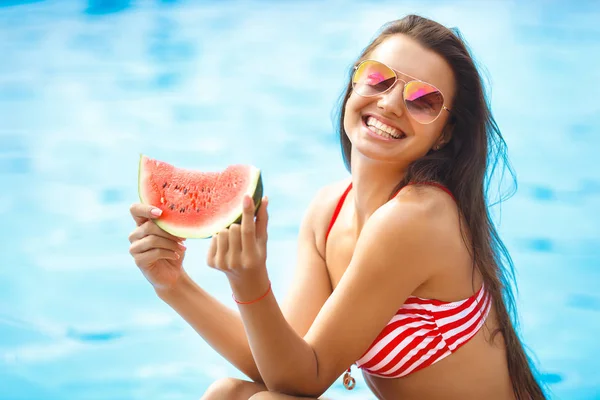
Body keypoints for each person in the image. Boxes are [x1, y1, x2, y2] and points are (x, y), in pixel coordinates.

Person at [128, 14, 546, 400]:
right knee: (229, 394)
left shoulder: (418, 217)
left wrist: (249, 281)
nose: (390, 103)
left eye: (423, 100)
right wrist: (173, 284)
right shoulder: (328, 210)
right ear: (353, 85)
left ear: (443, 134)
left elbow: (305, 378)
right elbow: (277, 363)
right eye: (377, 78)